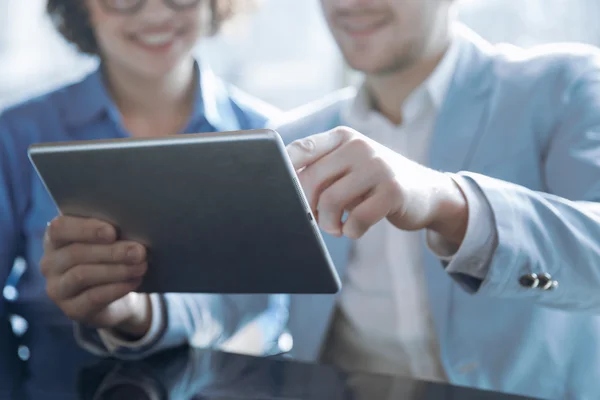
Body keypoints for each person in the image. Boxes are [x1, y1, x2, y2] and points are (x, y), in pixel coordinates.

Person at [42, 0, 600, 398]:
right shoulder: (292, 135)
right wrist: (135, 309)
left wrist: (446, 200)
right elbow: (229, 292)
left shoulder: (565, 84)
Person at [0, 0, 287, 355]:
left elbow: (269, 310)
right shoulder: (15, 135)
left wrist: (141, 313)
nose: (155, 14)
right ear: (82, 7)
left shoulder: (268, 136)